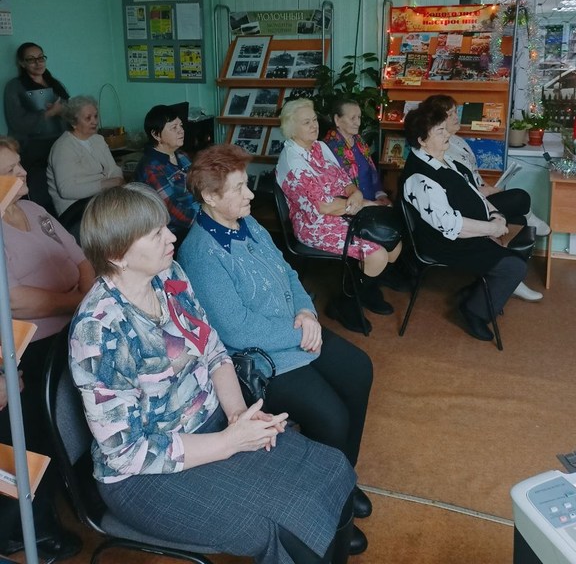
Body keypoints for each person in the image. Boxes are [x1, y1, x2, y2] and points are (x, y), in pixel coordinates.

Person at [69, 184, 356, 564]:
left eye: (165, 227)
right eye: (155, 234)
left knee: (333, 468)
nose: (171, 237)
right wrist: (229, 441)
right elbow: (126, 453)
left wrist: (238, 414)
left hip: (212, 426)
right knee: (286, 526)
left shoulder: (168, 276)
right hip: (146, 477)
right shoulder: (99, 330)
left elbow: (214, 351)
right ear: (116, 255)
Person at [178, 143, 373, 556]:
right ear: (210, 196)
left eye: (246, 184)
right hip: (261, 358)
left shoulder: (248, 224)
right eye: (238, 188)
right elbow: (236, 328)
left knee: (360, 369)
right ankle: (330, 512)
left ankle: (342, 480)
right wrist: (300, 331)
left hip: (298, 330)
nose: (250, 194)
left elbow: (288, 272)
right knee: (331, 416)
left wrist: (306, 311)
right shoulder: (200, 252)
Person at [0, 135, 95, 559]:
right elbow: (13, 300)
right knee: (35, 432)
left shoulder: (34, 210)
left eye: (20, 164)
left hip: (71, 331)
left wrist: (86, 302)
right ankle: (27, 528)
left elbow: (81, 259)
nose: (24, 173)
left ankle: (79, 489)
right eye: (11, 170)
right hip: (26, 349)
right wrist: (77, 302)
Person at [402, 104, 529, 342]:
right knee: (515, 267)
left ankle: (474, 294)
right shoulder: (420, 177)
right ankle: (474, 312)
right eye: (440, 131)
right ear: (422, 140)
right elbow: (450, 225)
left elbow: (473, 192)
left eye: (445, 129)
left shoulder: (441, 159)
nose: (447, 134)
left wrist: (495, 213)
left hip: (465, 231)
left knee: (519, 234)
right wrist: (491, 228)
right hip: (445, 242)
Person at [276, 98, 402, 324]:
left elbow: (346, 181)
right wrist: (362, 204)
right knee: (378, 254)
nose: (314, 126)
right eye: (306, 122)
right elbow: (323, 206)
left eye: (314, 120)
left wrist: (356, 193)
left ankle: (365, 290)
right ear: (291, 128)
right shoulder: (292, 161)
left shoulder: (320, 147)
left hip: (344, 209)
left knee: (393, 244)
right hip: (314, 223)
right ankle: (344, 304)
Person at [421, 94, 550, 301]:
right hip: (466, 207)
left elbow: (472, 176)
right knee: (519, 198)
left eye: (456, 111)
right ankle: (510, 272)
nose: (456, 117)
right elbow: (457, 189)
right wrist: (484, 192)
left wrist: (486, 187)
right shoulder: (439, 148)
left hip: (478, 196)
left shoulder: (458, 141)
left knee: (518, 220)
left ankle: (509, 276)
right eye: (450, 114)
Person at [3, 42, 69, 209]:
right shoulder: (14, 87)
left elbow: (69, 110)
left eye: (41, 58)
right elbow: (17, 122)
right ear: (22, 63)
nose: (38, 63)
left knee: (63, 190)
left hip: (60, 146)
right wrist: (48, 113)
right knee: (40, 196)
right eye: (31, 59)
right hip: (32, 153)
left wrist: (64, 111)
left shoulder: (54, 83)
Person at [47, 95, 124, 217]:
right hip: (76, 210)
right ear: (74, 123)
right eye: (88, 118)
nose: (95, 121)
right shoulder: (63, 147)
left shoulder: (98, 139)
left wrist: (117, 182)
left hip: (101, 200)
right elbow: (66, 190)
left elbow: (113, 169)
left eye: (95, 116)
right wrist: (105, 184)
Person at [133, 105, 199, 244]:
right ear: (156, 135)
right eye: (174, 128)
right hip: (176, 232)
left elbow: (201, 183)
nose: (181, 130)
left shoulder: (181, 155)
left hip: (198, 215)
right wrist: (207, 220)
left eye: (181, 125)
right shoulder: (151, 168)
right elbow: (171, 211)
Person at [323, 97, 391, 205]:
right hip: (350, 207)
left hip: (373, 203)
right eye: (352, 118)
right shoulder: (328, 148)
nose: (358, 123)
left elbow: (372, 172)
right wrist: (368, 204)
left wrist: (381, 195)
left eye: (359, 117)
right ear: (337, 120)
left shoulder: (359, 141)